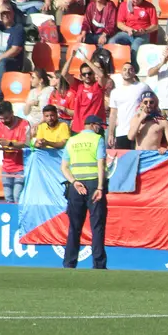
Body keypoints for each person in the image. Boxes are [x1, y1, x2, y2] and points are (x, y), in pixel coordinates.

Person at [61, 113, 108, 269]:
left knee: (74, 226)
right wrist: (101, 187)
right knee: (97, 226)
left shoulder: (72, 140)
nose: (101, 130)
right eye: (100, 126)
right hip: (94, 184)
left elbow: (64, 167)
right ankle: (98, 264)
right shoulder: (97, 140)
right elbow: (101, 165)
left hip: (76, 187)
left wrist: (74, 182)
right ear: (94, 125)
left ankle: (69, 263)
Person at [0, 101, 31, 203]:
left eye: (5, 118)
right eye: (0, 118)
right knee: (8, 198)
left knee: (17, 197)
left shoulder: (24, 124)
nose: (3, 121)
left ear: (12, 113)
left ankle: (20, 218)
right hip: (6, 168)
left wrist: (9, 143)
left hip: (21, 167)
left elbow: (27, 144)